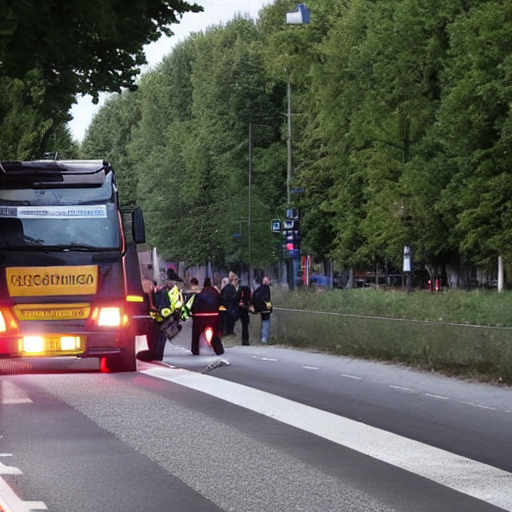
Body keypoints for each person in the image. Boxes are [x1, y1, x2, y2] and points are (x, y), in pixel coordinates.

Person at [190, 277, 224, 355]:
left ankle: (195, 349)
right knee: (215, 332)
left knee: (196, 333)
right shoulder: (215, 293)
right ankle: (218, 349)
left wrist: (193, 313)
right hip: (213, 315)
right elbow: (221, 301)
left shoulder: (200, 293)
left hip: (199, 316)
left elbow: (194, 306)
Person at [250, 276, 272, 343]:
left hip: (260, 309)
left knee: (263, 322)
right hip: (266, 309)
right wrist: (270, 307)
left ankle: (263, 337)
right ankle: (264, 338)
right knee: (266, 323)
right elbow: (267, 299)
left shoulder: (259, 289)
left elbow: (253, 297)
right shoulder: (266, 289)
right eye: (269, 281)